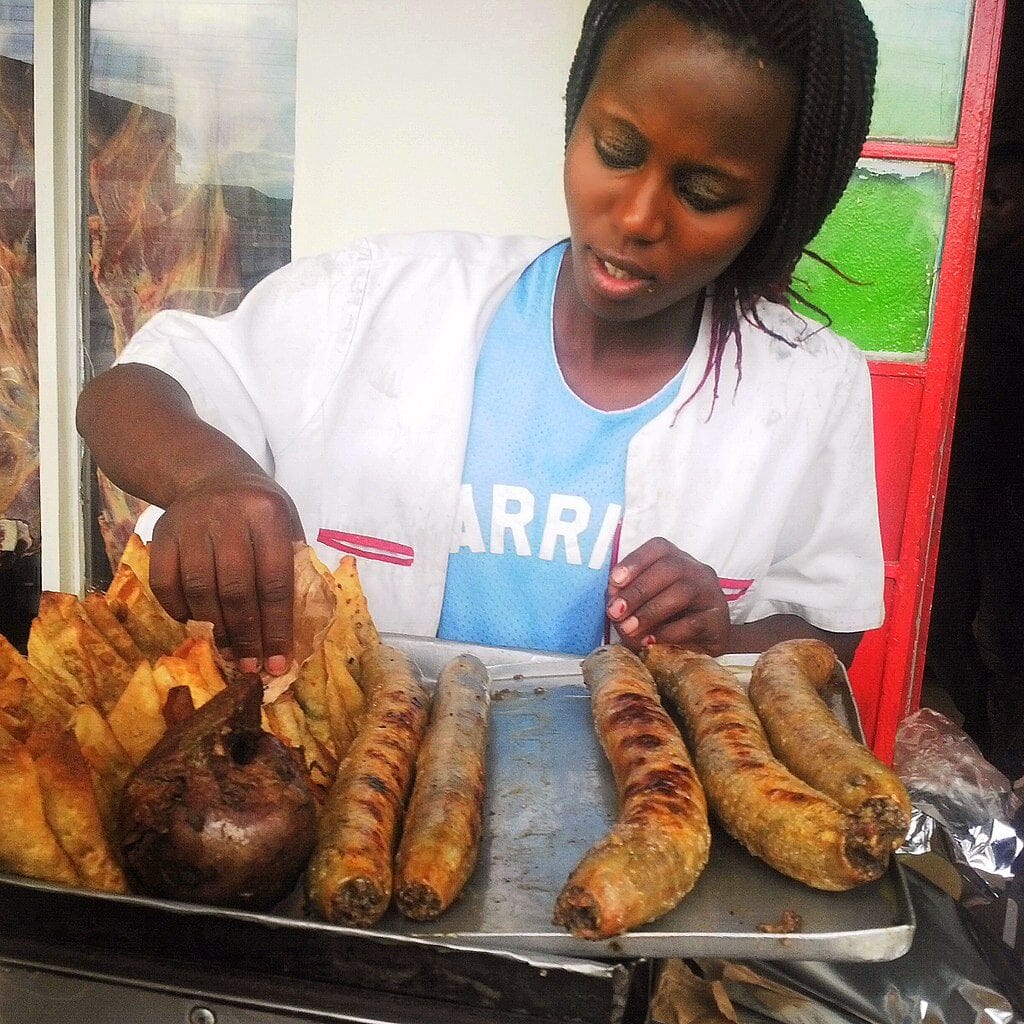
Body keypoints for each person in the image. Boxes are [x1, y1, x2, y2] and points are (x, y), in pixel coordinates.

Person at [76, 0, 883, 678]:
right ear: (578, 112)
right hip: (351, 805)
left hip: (636, 823)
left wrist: (722, 644)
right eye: (616, 151)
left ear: (782, 204)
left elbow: (827, 630)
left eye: (705, 192)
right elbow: (128, 391)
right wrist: (208, 478)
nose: (637, 218)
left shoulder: (808, 387)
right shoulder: (380, 300)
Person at [925, 139, 1024, 780]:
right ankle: (989, 741)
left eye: (1000, 199)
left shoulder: (1004, 281)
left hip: (1004, 474)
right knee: (959, 602)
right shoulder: (961, 264)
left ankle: (1005, 755)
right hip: (967, 466)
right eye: (980, 196)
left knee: (1001, 622)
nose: (984, 212)